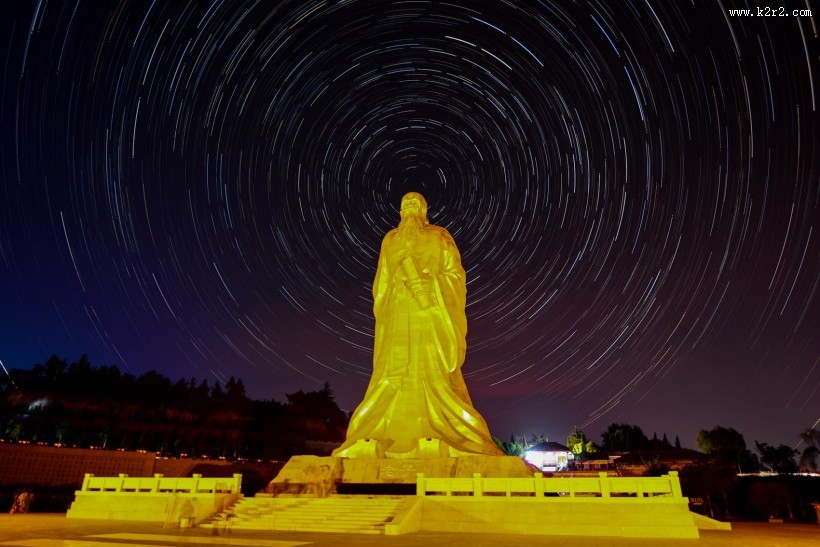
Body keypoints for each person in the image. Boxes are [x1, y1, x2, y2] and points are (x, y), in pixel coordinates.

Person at [333, 192, 503, 458]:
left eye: (416, 204)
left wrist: (433, 286)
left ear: (424, 210)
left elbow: (455, 275)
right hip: (399, 315)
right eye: (405, 205)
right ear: (400, 211)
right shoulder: (390, 240)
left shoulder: (440, 236)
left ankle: (443, 428)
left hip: (429, 317)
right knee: (392, 375)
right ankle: (382, 431)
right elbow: (381, 282)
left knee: (432, 371)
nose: (410, 208)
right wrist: (394, 293)